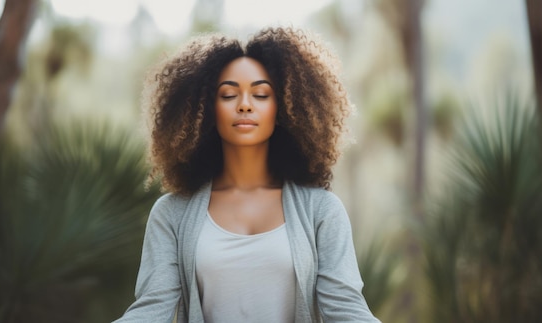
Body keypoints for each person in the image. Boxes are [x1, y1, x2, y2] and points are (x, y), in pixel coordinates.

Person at [114, 26, 380, 323]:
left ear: (282, 109)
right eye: (228, 94)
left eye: (261, 94)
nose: (244, 104)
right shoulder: (172, 214)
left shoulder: (321, 211)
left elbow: (346, 310)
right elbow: (151, 311)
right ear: (206, 109)